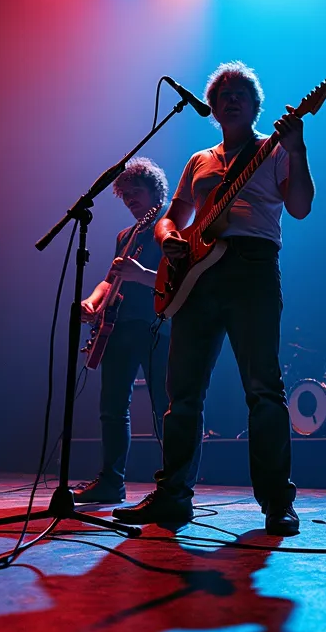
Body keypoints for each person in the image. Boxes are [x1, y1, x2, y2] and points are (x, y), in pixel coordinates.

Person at [113, 60, 314, 536]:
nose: (231, 97)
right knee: (181, 393)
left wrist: (298, 147)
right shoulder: (200, 160)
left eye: (241, 91)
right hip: (197, 277)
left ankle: (276, 502)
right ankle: (173, 495)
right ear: (213, 106)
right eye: (223, 92)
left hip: (253, 268)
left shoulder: (273, 150)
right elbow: (171, 215)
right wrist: (167, 240)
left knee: (263, 389)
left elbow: (301, 208)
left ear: (255, 104)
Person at [74, 157, 173, 504]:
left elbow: (176, 280)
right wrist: (92, 301)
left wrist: (141, 274)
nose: (131, 200)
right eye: (125, 195)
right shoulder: (125, 235)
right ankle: (111, 482)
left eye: (136, 193)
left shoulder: (170, 227)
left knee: (166, 406)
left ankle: (171, 483)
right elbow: (111, 278)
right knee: (112, 406)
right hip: (119, 327)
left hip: (158, 326)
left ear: (155, 191)